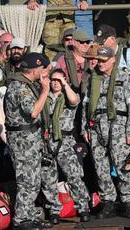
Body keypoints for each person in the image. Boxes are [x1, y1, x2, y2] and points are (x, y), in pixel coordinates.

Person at [83, 46, 130, 219]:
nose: (100, 64)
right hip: (96, 127)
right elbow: (86, 105)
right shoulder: (94, 79)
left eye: (104, 60)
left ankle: (129, 201)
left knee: (122, 164)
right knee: (100, 167)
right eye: (99, 60)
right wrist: (85, 128)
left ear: (113, 59)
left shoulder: (125, 78)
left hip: (118, 126)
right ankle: (107, 202)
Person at [4, 52, 52, 229]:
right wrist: (45, 90)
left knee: (34, 179)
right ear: (34, 70)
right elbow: (32, 111)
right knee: (26, 180)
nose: (44, 72)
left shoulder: (27, 84)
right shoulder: (20, 87)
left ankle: (29, 214)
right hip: (23, 140)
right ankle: (21, 219)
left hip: (31, 139)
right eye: (42, 68)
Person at [40, 69, 91, 224]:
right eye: (53, 80)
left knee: (74, 177)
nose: (56, 83)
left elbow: (75, 101)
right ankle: (54, 210)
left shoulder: (67, 97)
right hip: (47, 143)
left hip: (65, 142)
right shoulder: (44, 97)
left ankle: (83, 208)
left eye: (59, 80)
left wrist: (65, 84)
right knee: (49, 180)